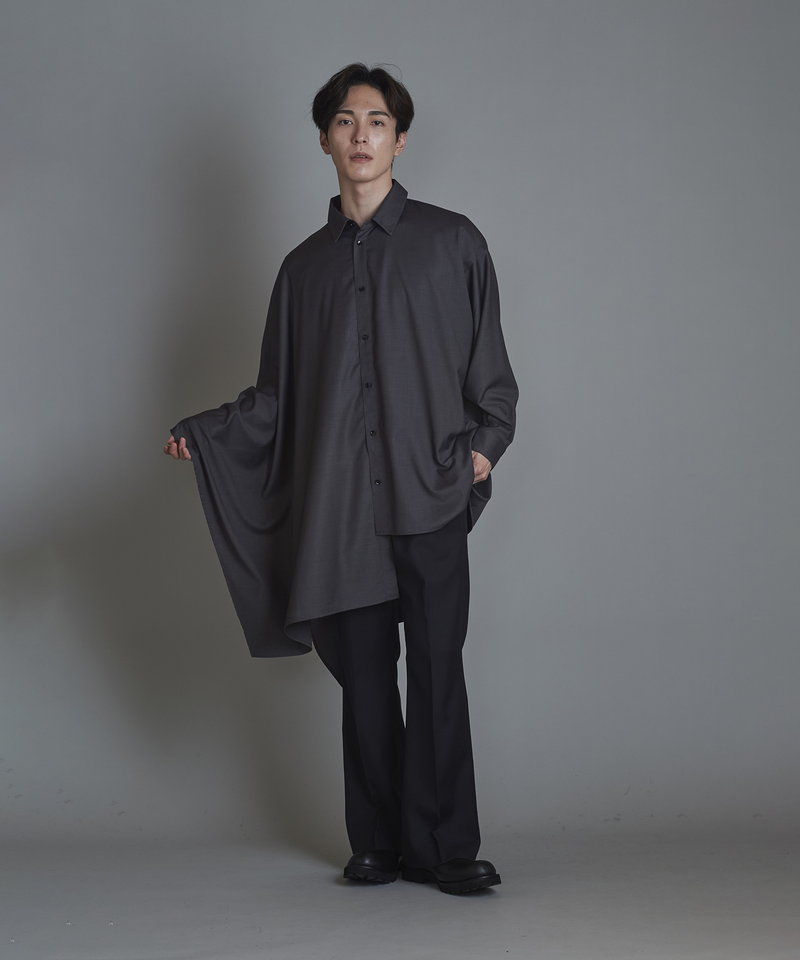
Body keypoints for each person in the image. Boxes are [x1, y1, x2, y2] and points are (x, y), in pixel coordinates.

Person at [164, 63, 518, 895]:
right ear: (325, 138)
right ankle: (380, 843)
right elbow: (276, 396)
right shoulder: (302, 271)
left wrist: (483, 447)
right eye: (347, 122)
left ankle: (447, 847)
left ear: (401, 139)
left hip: (431, 493)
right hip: (343, 509)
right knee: (365, 680)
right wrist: (206, 434)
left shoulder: (453, 243)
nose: (362, 135)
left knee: (437, 671)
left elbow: (491, 372)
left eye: (378, 121)